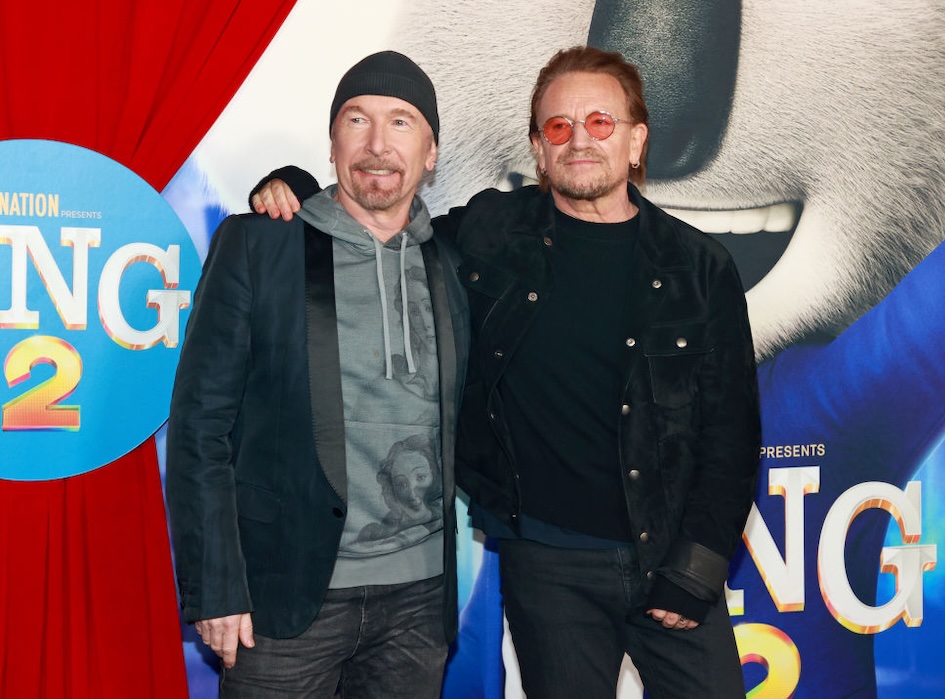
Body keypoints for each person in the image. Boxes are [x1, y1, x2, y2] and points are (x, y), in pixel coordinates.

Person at [252, 46, 761, 698]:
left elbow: (732, 434)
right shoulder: (491, 233)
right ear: (539, 151)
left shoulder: (700, 266)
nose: (579, 140)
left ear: (636, 142)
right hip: (548, 567)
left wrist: (697, 568)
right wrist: (297, 187)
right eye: (559, 127)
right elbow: (382, 223)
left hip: (671, 556)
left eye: (600, 123)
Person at [166, 50, 469, 698]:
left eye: (401, 121)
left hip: (418, 605)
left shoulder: (451, 263)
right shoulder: (260, 244)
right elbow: (199, 428)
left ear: (432, 153)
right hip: (283, 600)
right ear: (332, 145)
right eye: (357, 120)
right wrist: (216, 585)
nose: (377, 144)